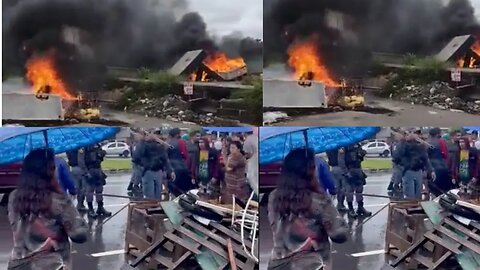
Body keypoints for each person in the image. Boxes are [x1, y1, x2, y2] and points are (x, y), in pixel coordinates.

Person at [268, 148, 348, 270]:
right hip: (311, 265)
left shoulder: (273, 196)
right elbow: (339, 234)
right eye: (314, 166)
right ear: (309, 171)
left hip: (278, 264)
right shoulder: (319, 200)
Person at [8, 148, 88, 270]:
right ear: (49, 171)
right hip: (51, 265)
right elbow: (79, 234)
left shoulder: (14, 197)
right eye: (53, 167)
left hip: (18, 264)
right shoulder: (58, 199)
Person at [396, 131, 434, 199]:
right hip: (408, 171)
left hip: (419, 171)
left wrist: (431, 170)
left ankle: (416, 208)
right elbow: (397, 156)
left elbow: (425, 158)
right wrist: (403, 141)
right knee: (410, 196)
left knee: (418, 195)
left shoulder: (420, 145)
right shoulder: (403, 144)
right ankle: (410, 207)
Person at [137, 132, 174, 199]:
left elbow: (165, 159)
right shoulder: (143, 145)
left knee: (158, 195)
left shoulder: (160, 146)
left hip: (158, 171)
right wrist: (142, 140)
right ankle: (151, 207)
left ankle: (157, 208)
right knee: (150, 196)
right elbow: (137, 156)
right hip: (148, 171)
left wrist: (170, 171)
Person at [83, 143, 111, 218]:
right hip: (89, 170)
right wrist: (86, 173)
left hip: (98, 169)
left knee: (99, 190)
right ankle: (91, 209)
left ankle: (100, 207)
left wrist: (101, 155)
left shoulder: (97, 144)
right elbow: (81, 161)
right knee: (90, 191)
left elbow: (99, 158)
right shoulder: (85, 146)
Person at [344, 143, 371, 218]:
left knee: (359, 190)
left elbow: (359, 157)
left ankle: (360, 207)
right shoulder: (345, 146)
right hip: (349, 170)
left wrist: (361, 154)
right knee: (350, 191)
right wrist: (346, 173)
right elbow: (341, 161)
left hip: (358, 169)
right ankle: (351, 209)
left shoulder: (357, 145)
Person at [167, 128, 192, 196]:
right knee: (182, 190)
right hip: (181, 167)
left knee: (173, 189)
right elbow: (185, 155)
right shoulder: (181, 142)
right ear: (177, 134)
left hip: (171, 168)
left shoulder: (167, 143)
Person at [426, 128, 451, 196]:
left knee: (434, 190)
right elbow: (446, 155)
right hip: (443, 167)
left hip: (432, 168)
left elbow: (426, 157)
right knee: (444, 191)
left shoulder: (427, 143)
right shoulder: (442, 141)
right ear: (438, 134)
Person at [244, 130, 259, 195]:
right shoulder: (256, 138)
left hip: (252, 163)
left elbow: (248, 154)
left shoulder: (247, 140)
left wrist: (244, 156)